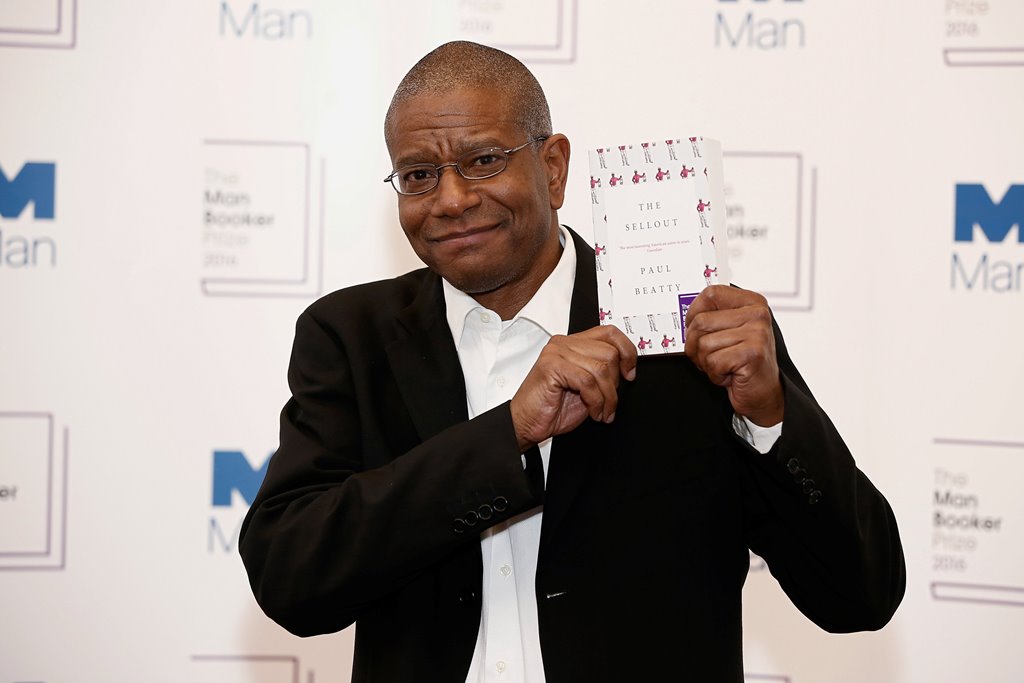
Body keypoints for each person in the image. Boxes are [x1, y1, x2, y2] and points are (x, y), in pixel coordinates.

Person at [239, 41, 905, 682]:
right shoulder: (349, 336)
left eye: (482, 161)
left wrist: (769, 419)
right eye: (419, 174)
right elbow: (290, 578)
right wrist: (506, 436)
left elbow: (860, 594)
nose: (450, 198)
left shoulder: (691, 333)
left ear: (553, 167)